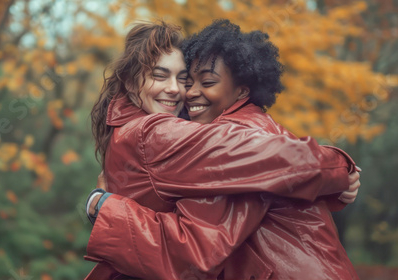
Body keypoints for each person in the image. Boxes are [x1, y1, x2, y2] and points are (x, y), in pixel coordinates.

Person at [85, 20, 360, 279]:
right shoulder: (157, 132)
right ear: (131, 82)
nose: (183, 91)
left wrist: (104, 207)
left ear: (241, 91)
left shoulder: (231, 132)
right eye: (186, 81)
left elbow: (196, 251)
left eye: (202, 82)